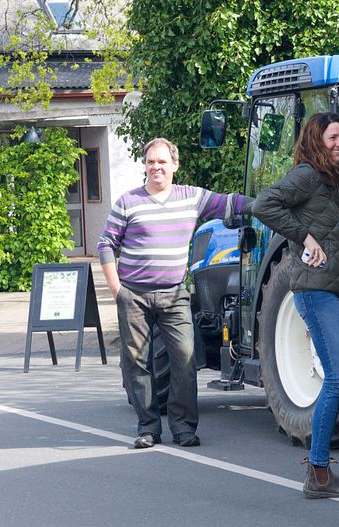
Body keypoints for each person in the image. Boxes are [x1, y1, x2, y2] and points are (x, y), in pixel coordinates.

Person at [98, 138, 252, 449]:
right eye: (151, 162)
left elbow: (230, 203)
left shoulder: (191, 198)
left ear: (174, 166)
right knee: (136, 363)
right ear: (145, 166)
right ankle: (148, 428)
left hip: (173, 294)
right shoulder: (128, 202)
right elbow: (105, 245)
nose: (156, 167)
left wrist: (265, 202)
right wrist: (118, 291)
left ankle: (183, 428)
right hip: (135, 295)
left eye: (162, 162)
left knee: (185, 358)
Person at [252, 112, 339, 499]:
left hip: (336, 286)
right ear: (316, 139)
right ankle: (318, 473)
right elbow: (263, 205)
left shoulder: (330, 182)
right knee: (336, 378)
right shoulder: (307, 176)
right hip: (315, 289)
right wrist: (305, 235)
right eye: (333, 137)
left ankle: (320, 470)